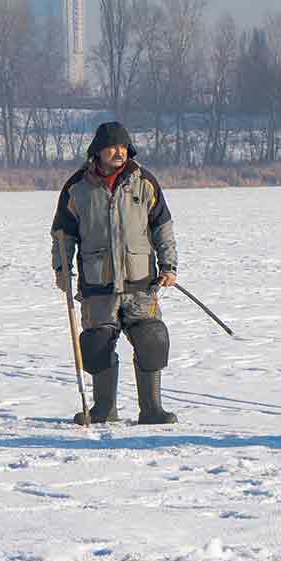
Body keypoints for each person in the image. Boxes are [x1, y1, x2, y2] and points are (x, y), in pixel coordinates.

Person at [51, 122, 180, 425]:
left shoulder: (144, 182)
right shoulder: (77, 188)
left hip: (141, 283)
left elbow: (163, 228)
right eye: (112, 147)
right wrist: (62, 269)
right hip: (98, 285)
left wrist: (169, 266)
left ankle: (152, 410)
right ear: (97, 151)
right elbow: (62, 235)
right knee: (97, 345)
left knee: (152, 340)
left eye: (123, 147)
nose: (119, 152)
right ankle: (103, 410)